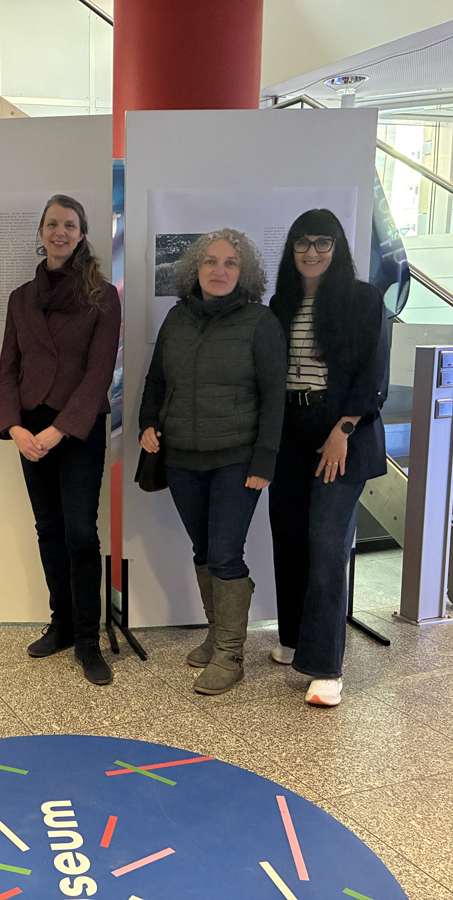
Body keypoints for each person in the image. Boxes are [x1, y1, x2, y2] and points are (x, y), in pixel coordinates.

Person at [138, 229, 286, 696]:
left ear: (244, 273)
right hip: (181, 457)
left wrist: (264, 460)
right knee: (203, 551)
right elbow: (157, 379)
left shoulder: (261, 322)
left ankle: (230, 655)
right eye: (210, 261)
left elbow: (275, 397)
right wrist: (146, 422)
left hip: (236, 460)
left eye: (230, 263)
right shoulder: (176, 317)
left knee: (224, 554)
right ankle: (217, 633)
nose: (219, 270)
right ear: (195, 269)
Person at [267, 209, 389, 708]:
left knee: (326, 544)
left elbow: (373, 375)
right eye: (302, 242)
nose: (312, 251)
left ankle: (324, 668)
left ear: (337, 247)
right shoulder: (281, 303)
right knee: (288, 537)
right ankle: (295, 638)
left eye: (322, 242)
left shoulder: (363, 300)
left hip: (342, 432)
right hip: (289, 431)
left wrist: (343, 429)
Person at [0, 194, 121, 686]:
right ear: (41, 232)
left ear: (82, 233)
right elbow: (8, 368)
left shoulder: (102, 296)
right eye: (52, 224)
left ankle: (89, 639)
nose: (60, 232)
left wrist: (57, 430)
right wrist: (15, 427)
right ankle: (63, 625)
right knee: (48, 528)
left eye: (69, 225)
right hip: (30, 431)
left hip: (78, 429)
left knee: (80, 534)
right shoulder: (21, 297)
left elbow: (99, 373)